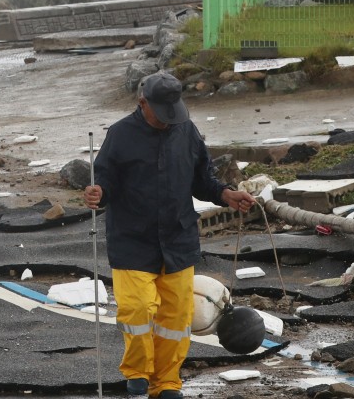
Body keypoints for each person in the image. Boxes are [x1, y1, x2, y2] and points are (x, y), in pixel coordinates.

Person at [83, 72, 256, 398]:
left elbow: (202, 181)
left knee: (175, 318)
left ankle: (167, 383)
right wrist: (97, 194)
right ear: (142, 102)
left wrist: (226, 195)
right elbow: (104, 183)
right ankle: (138, 373)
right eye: (161, 113)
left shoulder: (187, 132)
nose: (167, 121)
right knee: (138, 311)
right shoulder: (119, 136)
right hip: (132, 240)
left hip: (178, 239)